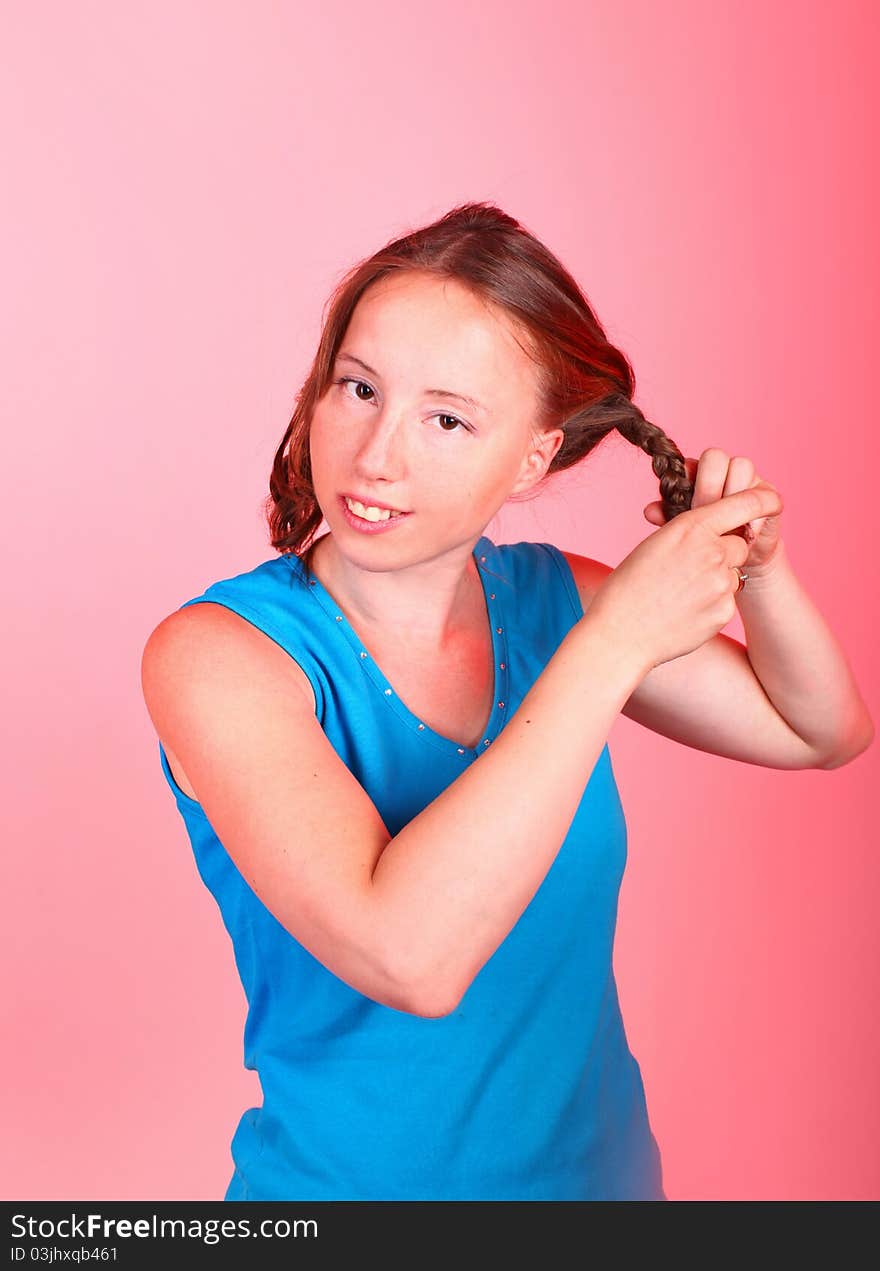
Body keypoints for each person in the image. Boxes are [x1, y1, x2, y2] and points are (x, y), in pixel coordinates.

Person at [141, 201, 873, 1202]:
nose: (376, 454)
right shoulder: (220, 657)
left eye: (446, 418)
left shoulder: (549, 599)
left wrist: (761, 571)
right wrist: (615, 644)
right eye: (357, 388)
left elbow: (818, 729)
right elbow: (411, 957)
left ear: (533, 455)